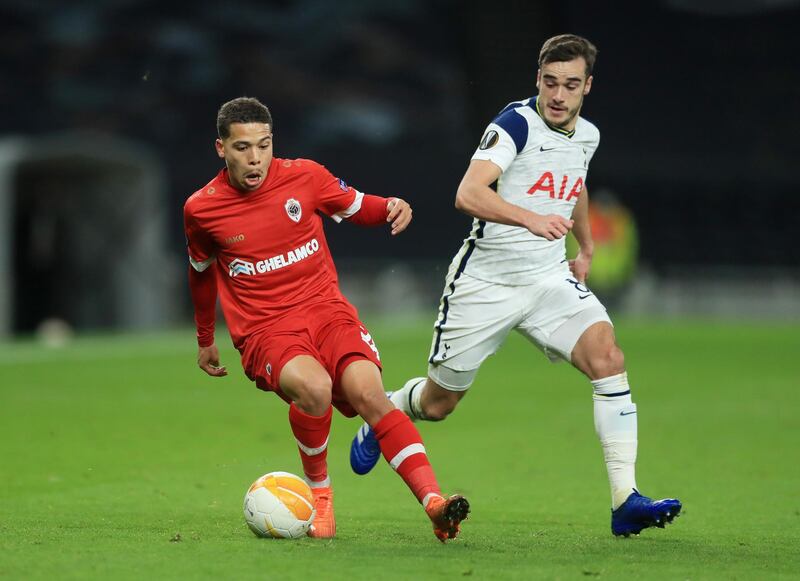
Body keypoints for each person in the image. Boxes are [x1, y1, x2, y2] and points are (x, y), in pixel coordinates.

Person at [349, 35, 681, 537]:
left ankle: (624, 500)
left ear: (587, 86)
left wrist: (585, 246)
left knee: (608, 359)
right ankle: (387, 409)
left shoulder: (586, 135)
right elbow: (468, 192)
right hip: (487, 282)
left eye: (571, 85)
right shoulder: (514, 125)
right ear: (538, 80)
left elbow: (576, 183)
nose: (558, 95)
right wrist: (529, 218)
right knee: (439, 404)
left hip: (548, 278)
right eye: (550, 82)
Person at [184, 96, 469, 541]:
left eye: (264, 144)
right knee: (314, 388)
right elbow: (201, 274)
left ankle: (434, 502)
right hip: (267, 330)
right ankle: (321, 496)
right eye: (242, 147)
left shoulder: (304, 177)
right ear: (221, 148)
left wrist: (392, 204)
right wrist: (206, 338)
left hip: (327, 311)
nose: (255, 157)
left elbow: (358, 206)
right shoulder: (202, 210)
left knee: (369, 394)